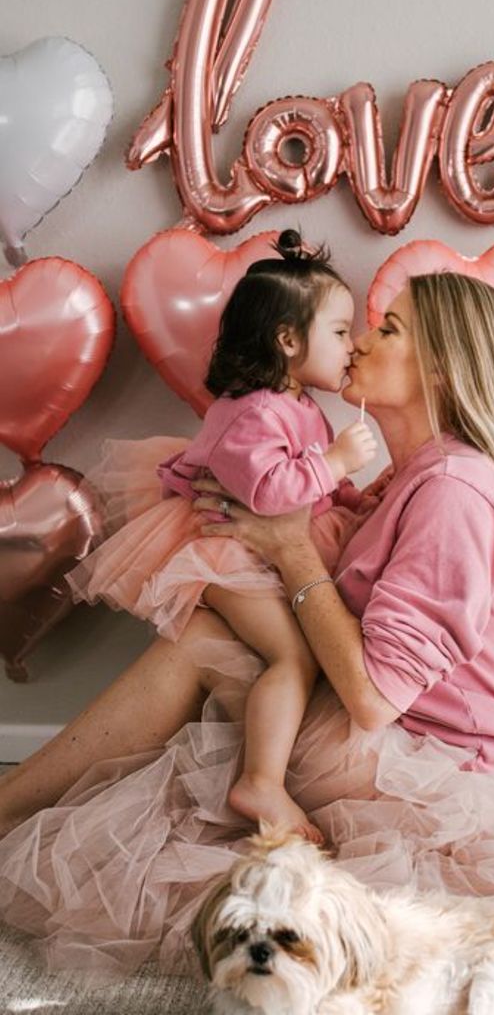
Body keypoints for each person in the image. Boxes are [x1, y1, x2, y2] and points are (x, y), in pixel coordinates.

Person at [0, 272, 494, 984]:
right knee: (208, 627)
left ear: (440, 366)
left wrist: (287, 546)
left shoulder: (454, 494)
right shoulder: (411, 475)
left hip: (437, 764)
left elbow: (372, 698)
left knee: (199, 648)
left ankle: (8, 808)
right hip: (401, 734)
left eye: (389, 329)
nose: (364, 340)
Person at [67, 229, 378, 842]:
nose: (353, 344)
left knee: (282, 652)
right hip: (222, 552)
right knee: (296, 655)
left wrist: (346, 494)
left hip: (251, 550)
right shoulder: (253, 411)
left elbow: (306, 486)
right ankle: (261, 781)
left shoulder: (298, 405)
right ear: (288, 340)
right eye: (340, 331)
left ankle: (255, 761)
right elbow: (268, 493)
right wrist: (337, 464)